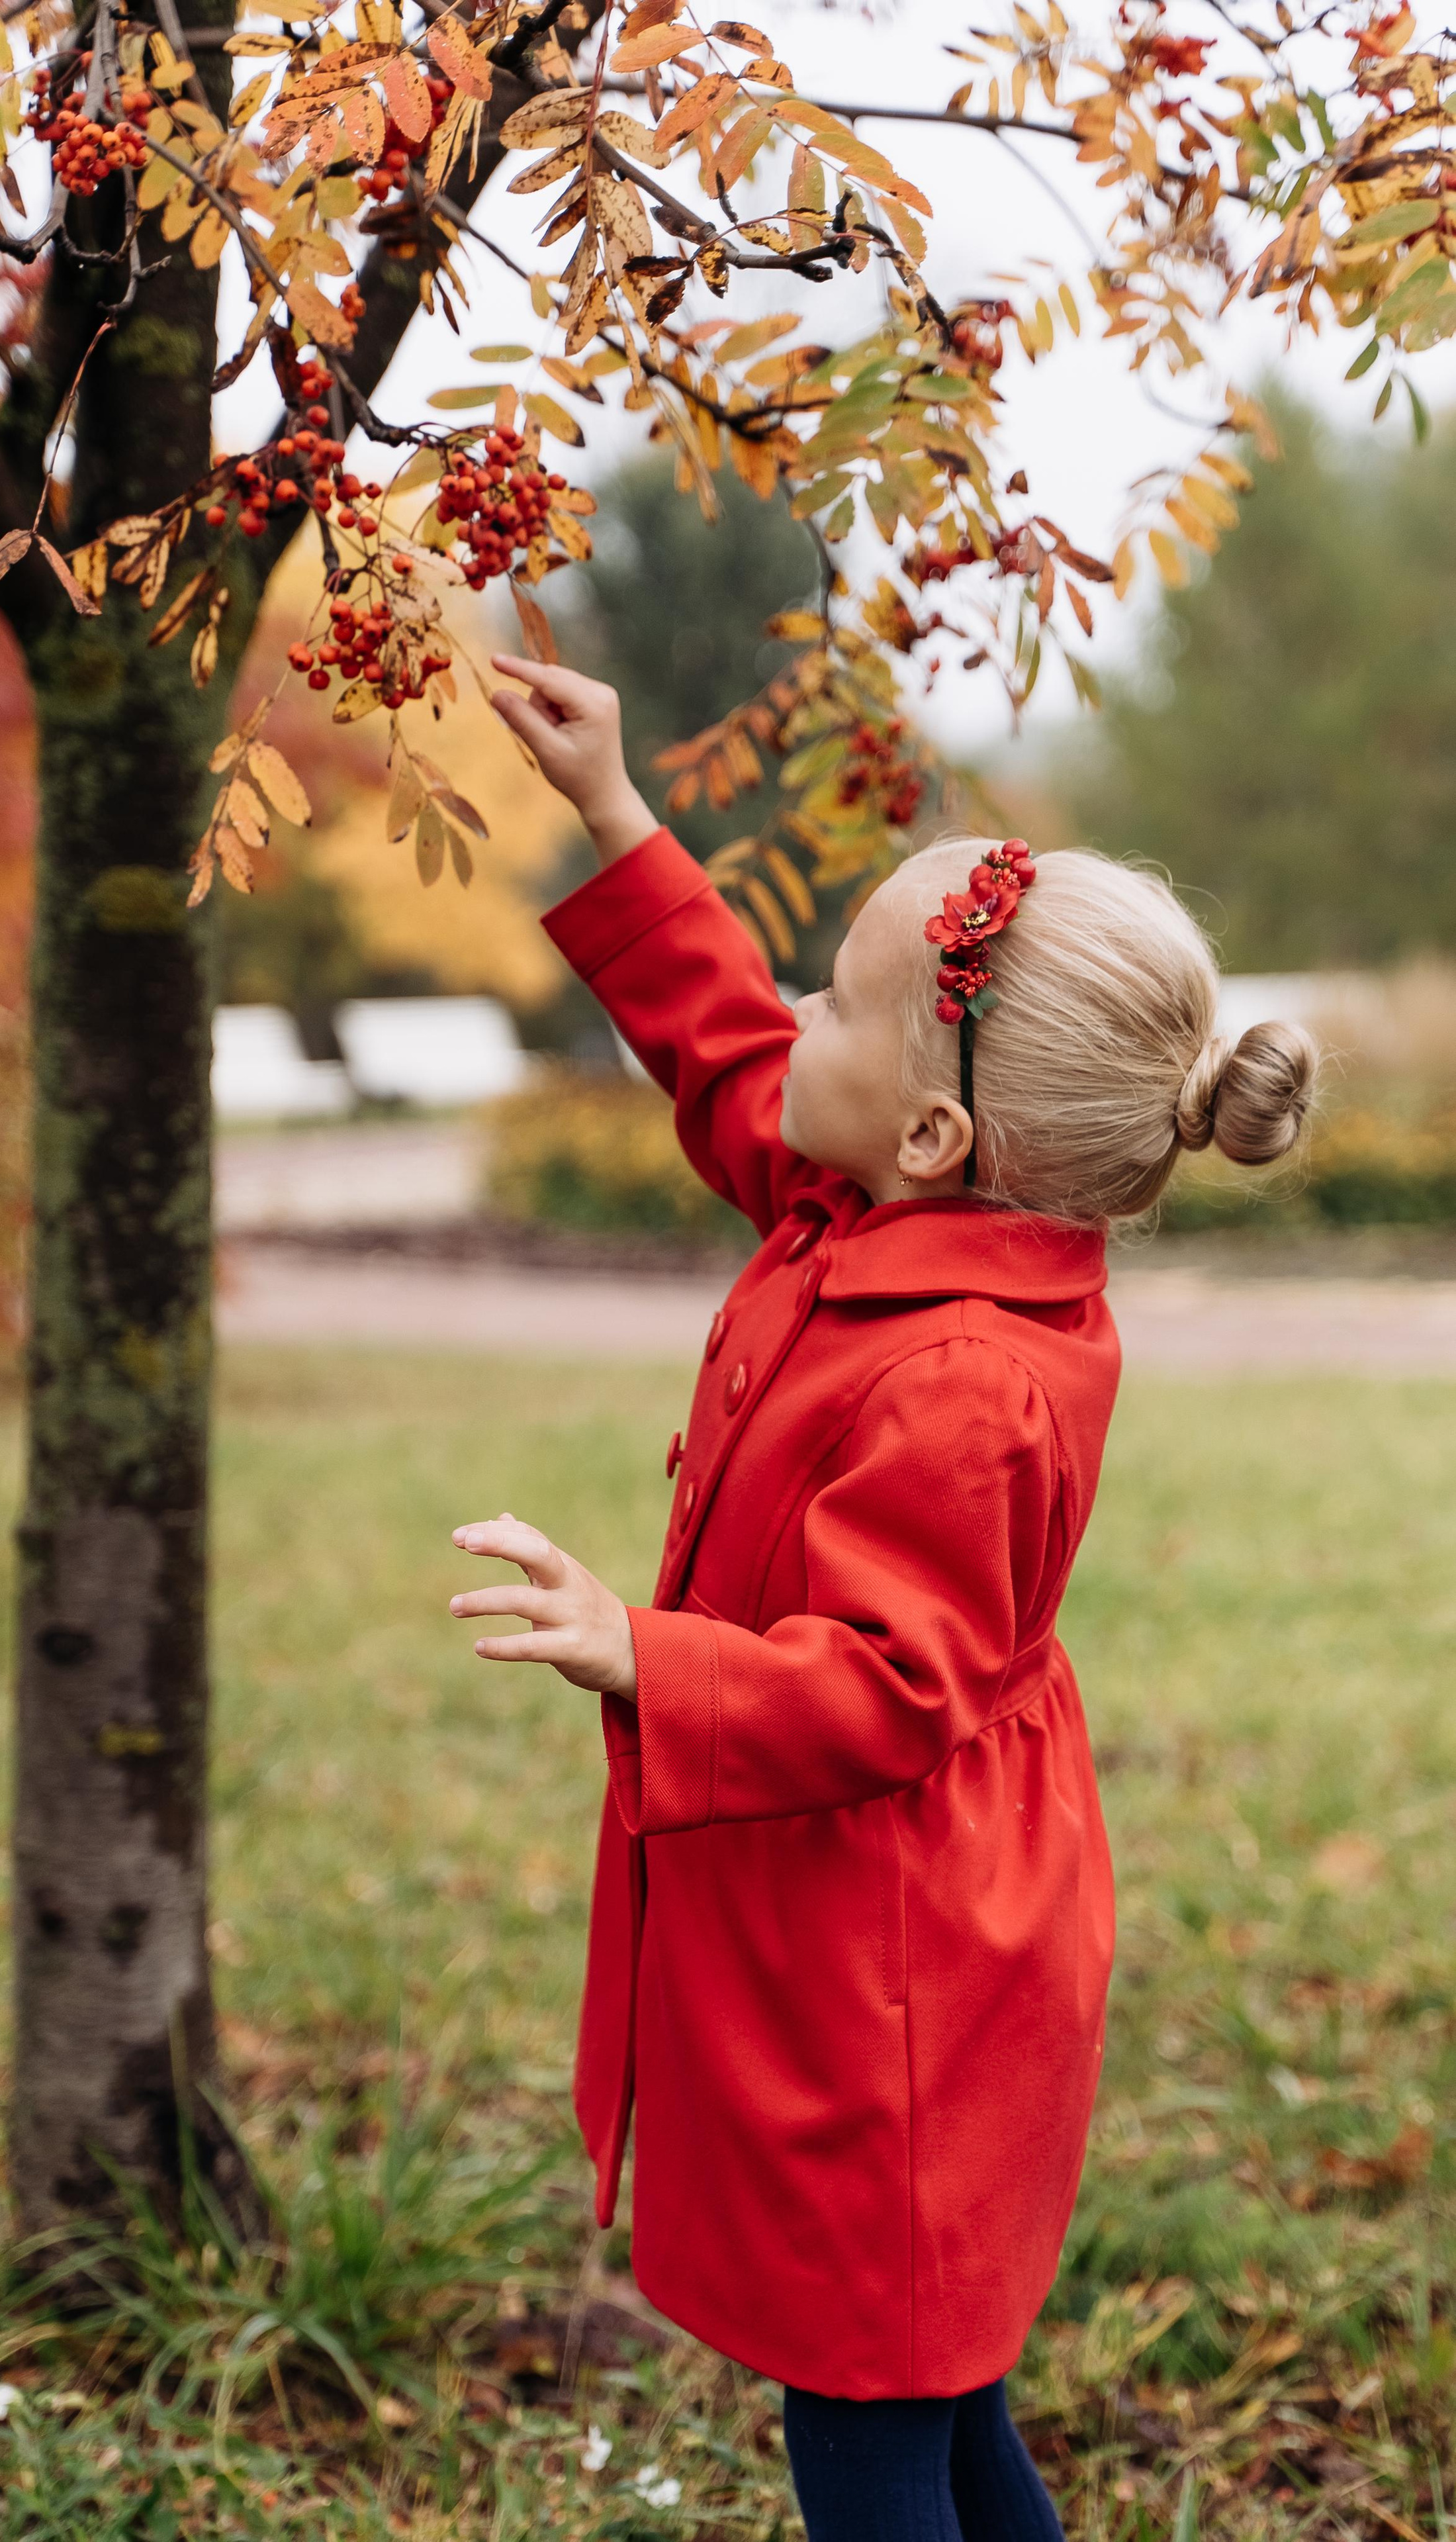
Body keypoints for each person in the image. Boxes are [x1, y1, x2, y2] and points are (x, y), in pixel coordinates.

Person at [448, 657, 1315, 2541]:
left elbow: (886, 1686)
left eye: (833, 1001)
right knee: (925, 2387)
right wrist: (616, 813)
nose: (792, 1026)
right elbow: (721, 1058)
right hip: (867, 1924)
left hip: (902, 1971)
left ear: (932, 1135)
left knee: (867, 2415)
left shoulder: (969, 1381)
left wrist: (640, 1650)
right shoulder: (881, 1216)